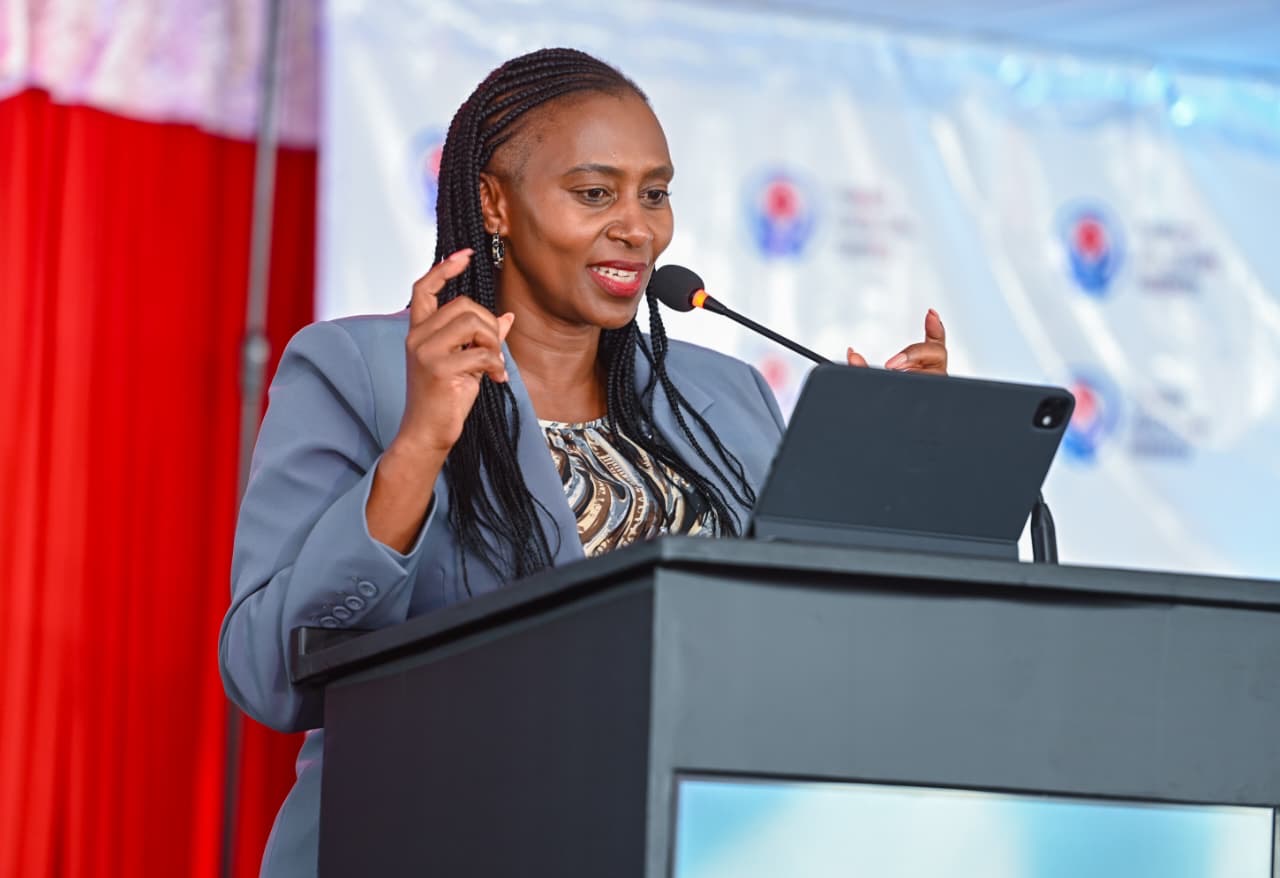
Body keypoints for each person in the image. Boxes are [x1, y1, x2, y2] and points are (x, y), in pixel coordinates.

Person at [219, 47, 947, 877]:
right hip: (436, 841)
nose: (638, 227)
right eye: (594, 193)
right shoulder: (363, 369)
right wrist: (419, 448)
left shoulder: (724, 396)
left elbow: (803, 645)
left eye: (656, 193)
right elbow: (267, 673)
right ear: (493, 202)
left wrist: (893, 475)